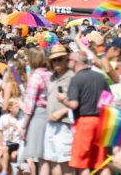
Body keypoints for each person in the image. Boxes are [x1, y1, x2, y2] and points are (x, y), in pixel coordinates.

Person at [59, 51, 110, 175]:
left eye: (69, 60)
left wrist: (63, 99)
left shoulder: (76, 79)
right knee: (101, 162)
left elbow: (74, 104)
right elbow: (109, 99)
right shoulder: (100, 77)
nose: (67, 62)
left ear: (75, 62)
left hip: (84, 123)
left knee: (82, 163)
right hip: (101, 121)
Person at [43, 45, 74, 175]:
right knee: (52, 160)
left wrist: (62, 111)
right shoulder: (51, 77)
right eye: (54, 60)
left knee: (65, 161)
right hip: (50, 123)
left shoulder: (72, 76)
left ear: (66, 59)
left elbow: (77, 101)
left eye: (60, 59)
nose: (56, 62)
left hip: (65, 124)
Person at [21, 47, 52, 173]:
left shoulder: (36, 77)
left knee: (40, 155)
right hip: (51, 113)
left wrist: (24, 125)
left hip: (38, 114)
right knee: (48, 155)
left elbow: (30, 103)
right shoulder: (50, 74)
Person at [0, 98, 22, 175]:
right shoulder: (4, 118)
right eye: (16, 107)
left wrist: (19, 150)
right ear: (10, 108)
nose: (18, 109)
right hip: (5, 144)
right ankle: (6, 171)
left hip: (15, 144)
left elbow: (22, 138)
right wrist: (0, 145)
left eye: (19, 107)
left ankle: (4, 171)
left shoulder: (21, 120)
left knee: (8, 152)